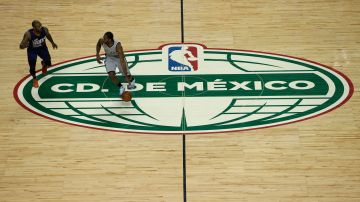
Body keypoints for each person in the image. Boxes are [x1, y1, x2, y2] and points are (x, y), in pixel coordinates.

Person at [19, 20, 58, 88]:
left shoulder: (44, 29)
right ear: (34, 28)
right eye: (38, 27)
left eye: (40, 26)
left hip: (42, 48)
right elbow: (21, 46)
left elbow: (48, 35)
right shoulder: (28, 34)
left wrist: (53, 43)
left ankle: (44, 63)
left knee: (48, 62)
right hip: (32, 50)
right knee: (32, 65)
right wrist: (26, 45)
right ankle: (34, 78)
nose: (40, 28)